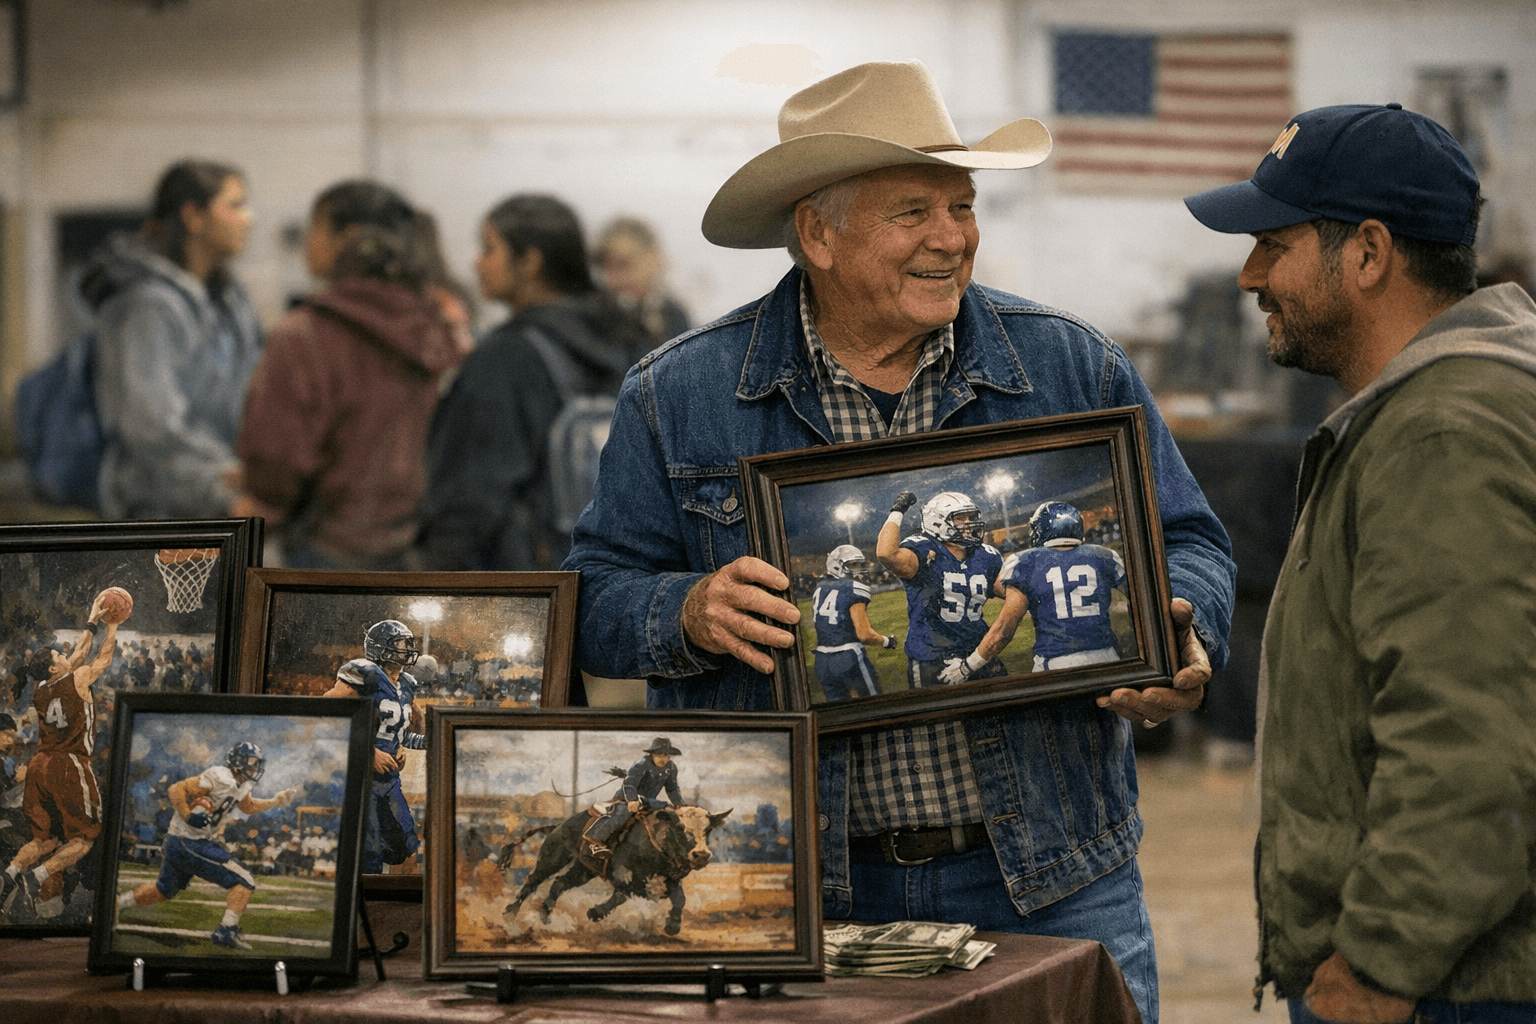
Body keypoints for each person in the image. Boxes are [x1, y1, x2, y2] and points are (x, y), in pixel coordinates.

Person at [563, 60, 1235, 1023]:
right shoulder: (680, 394)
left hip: (1049, 875)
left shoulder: (1069, 363)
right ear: (817, 233)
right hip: (794, 886)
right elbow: (588, 600)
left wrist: (1183, 629)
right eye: (912, 211)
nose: (952, 238)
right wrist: (688, 611)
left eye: (961, 207)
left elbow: (1195, 543)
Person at [1185, 104, 1536, 1021]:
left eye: (1273, 242)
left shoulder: (1442, 434)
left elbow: (1471, 744)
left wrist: (1381, 960)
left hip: (1452, 988)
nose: (1249, 273)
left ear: (1369, 253)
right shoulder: (1442, 409)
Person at [234, 180, 468, 570]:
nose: (309, 241)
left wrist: (258, 509)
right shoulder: (439, 325)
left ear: (349, 237)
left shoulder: (304, 334)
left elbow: (277, 460)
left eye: (316, 227)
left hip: (326, 551)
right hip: (419, 550)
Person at [417, 194, 651, 571]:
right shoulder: (633, 339)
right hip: (623, 575)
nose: (477, 263)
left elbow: (468, 500)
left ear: (530, 261)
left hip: (534, 588)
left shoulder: (504, 359)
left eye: (489, 249)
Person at [86, 160, 264, 519]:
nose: (250, 217)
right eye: (235, 205)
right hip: (157, 515)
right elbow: (149, 429)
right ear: (193, 217)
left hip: (220, 505)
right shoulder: (144, 306)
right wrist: (224, 491)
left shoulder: (229, 302)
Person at [116, 742, 300, 950]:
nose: (254, 769)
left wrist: (275, 801)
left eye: (256, 764)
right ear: (238, 761)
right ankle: (226, 931)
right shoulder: (220, 777)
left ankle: (115, 905)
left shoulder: (242, 784)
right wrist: (187, 815)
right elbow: (177, 788)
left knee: (163, 891)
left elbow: (247, 806)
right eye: (251, 763)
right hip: (188, 841)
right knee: (244, 880)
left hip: (182, 842)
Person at [0, 597, 118, 913]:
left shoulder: (40, 689)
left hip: (40, 766)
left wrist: (93, 621)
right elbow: (101, 660)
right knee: (84, 839)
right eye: (58, 654)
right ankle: (37, 876)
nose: (65, 654)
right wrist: (113, 627)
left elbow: (78, 653)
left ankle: (10, 874)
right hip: (69, 764)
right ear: (54, 666)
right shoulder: (77, 679)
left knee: (45, 840)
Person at [964, 501, 1130, 677]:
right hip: (1108, 656)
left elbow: (1004, 631)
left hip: (1057, 661)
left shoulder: (1026, 561)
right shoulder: (1104, 556)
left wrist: (968, 666)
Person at [323, 619, 426, 874]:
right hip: (361, 777)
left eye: (408, 644)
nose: (408, 649)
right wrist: (367, 752)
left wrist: (411, 745)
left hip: (389, 780)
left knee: (404, 844)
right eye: (401, 644)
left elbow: (398, 734)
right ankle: (361, 899)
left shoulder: (407, 685)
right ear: (382, 647)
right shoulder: (364, 673)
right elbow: (324, 714)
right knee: (370, 851)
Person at [876, 490, 1007, 688]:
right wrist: (898, 511)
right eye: (960, 518)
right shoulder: (923, 549)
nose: (969, 523)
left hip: (977, 652)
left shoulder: (986, 556)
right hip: (933, 657)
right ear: (937, 522)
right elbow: (886, 554)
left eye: (971, 517)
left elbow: (1011, 593)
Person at [808, 544, 896, 701]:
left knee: (843, 715)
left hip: (822, 661)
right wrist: (887, 641)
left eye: (860, 565)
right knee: (875, 707)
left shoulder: (820, 587)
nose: (858, 570)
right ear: (836, 566)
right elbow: (865, 635)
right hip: (848, 656)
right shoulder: (853, 588)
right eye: (852, 565)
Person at [594, 216, 692, 345]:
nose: (612, 281)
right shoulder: (595, 316)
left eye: (623, 265)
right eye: (606, 268)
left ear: (653, 259)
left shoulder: (672, 315)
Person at [583, 737, 684, 859]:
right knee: (622, 813)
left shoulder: (671, 768)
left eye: (665, 754)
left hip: (647, 802)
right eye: (658, 754)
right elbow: (629, 783)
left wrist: (679, 804)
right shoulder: (641, 765)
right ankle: (595, 840)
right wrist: (632, 800)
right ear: (652, 754)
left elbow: (672, 789)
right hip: (626, 799)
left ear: (669, 756)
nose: (662, 758)